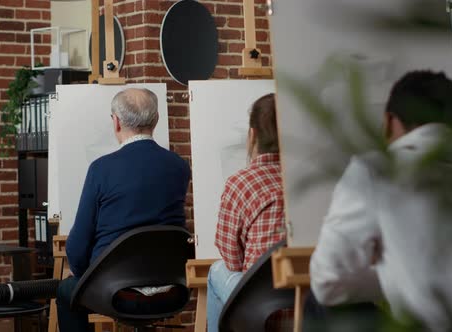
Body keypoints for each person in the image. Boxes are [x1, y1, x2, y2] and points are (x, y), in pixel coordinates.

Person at [310, 71, 452, 330]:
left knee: (315, 307)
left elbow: (327, 283)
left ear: (389, 121)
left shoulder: (376, 169)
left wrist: (398, 270)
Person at [56, 88, 191, 332]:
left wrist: (86, 276)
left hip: (113, 292)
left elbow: (77, 247)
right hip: (172, 290)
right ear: (157, 119)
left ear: (116, 122)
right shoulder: (178, 166)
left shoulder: (101, 169)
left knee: (66, 291)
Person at [207, 93, 289, 332]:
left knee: (215, 271)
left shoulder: (240, 183)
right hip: (307, 305)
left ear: (252, 135)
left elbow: (232, 259)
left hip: (260, 310)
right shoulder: (313, 181)